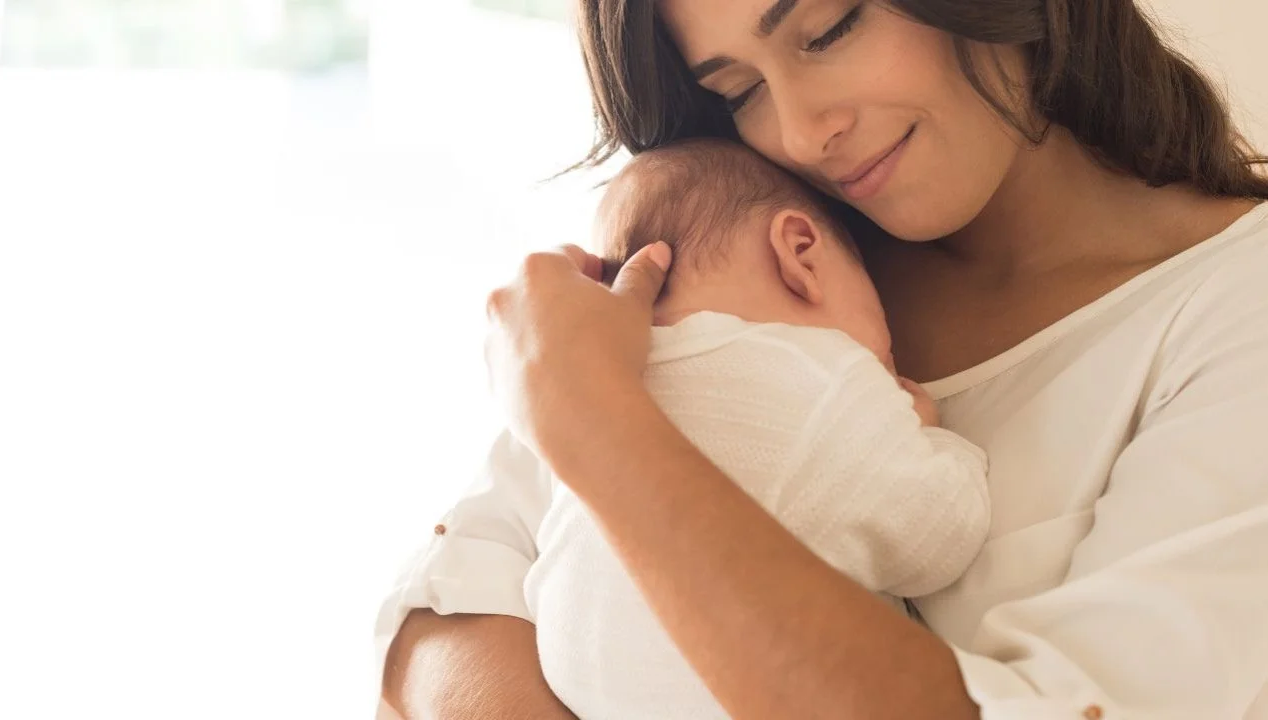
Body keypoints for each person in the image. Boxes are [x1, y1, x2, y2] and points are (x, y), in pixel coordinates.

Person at [380, 0, 1268, 718]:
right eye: (737, 89)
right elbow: (441, 623)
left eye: (827, 30)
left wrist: (594, 423)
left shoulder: (1233, 310)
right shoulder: (755, 262)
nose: (803, 133)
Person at [402, 137, 991, 719]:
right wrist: (932, 438)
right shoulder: (825, 378)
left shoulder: (587, 391)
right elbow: (939, 536)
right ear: (801, 252)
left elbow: (457, 575)